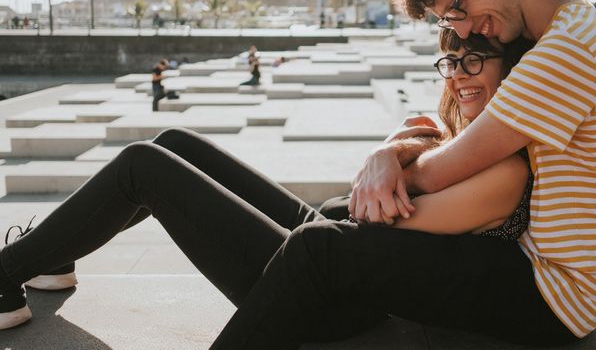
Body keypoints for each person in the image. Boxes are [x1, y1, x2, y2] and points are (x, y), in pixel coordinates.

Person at [0, 28, 544, 348]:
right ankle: (53, 254)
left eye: (476, 58)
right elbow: (393, 168)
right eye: (451, 59)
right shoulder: (465, 140)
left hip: (330, 294)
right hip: (330, 249)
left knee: (143, 165)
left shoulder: (506, 171)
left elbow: (378, 218)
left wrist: (395, 156)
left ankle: (6, 272)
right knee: (174, 140)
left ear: (511, 68)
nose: (459, 74)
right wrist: (395, 152)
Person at [351, 0, 596, 341]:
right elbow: (456, 144)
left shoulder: (570, 48)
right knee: (332, 229)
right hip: (544, 267)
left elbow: (438, 173)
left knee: (325, 247)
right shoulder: (563, 27)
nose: (462, 32)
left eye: (460, 6)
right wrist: (389, 153)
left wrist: (387, 159)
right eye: (450, 18)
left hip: (558, 289)